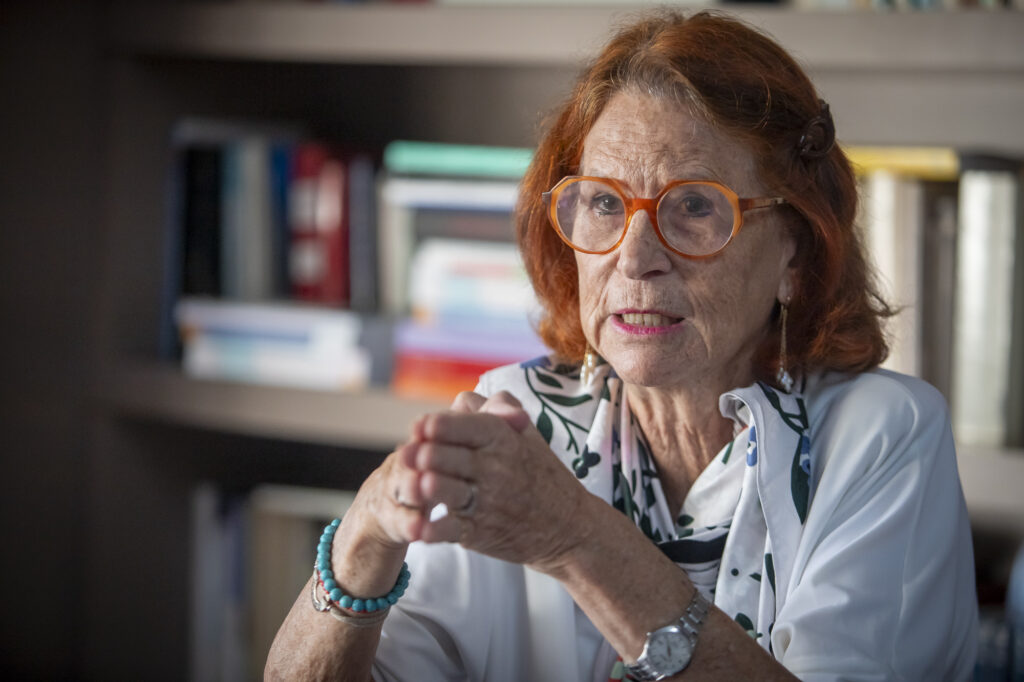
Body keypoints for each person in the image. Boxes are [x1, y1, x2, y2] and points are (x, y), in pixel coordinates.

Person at [266, 10, 978, 681]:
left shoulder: (883, 436)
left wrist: (575, 539)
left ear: (795, 249)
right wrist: (366, 537)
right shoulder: (515, 416)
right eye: (604, 203)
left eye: (695, 206)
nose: (635, 258)